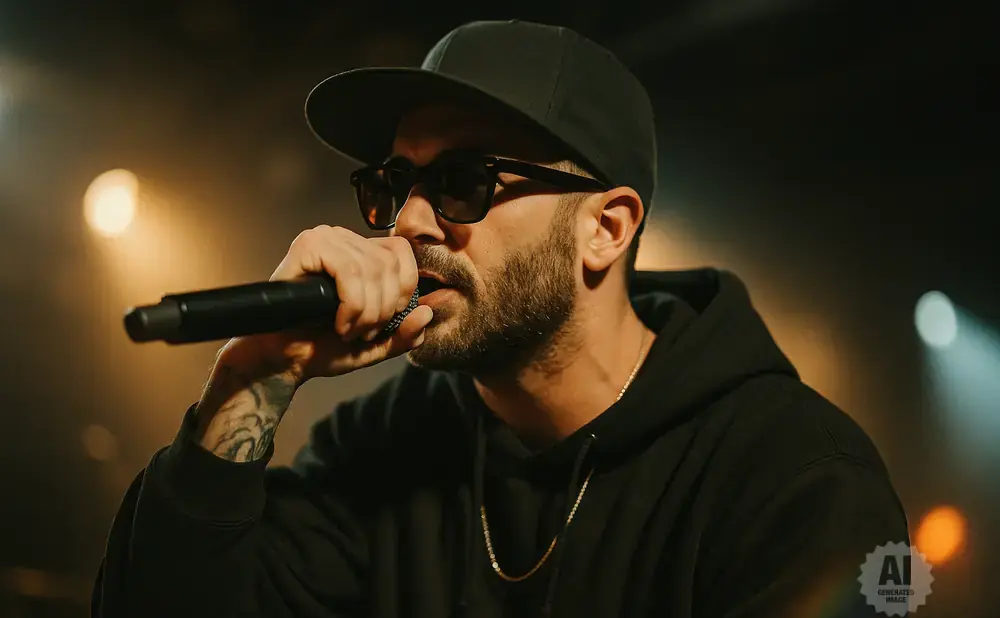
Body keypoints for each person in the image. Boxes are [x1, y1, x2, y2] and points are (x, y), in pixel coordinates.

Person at [92, 20, 909, 618]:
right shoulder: (381, 447)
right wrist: (252, 380)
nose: (406, 222)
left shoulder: (795, 476)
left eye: (463, 180)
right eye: (392, 183)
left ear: (606, 228)